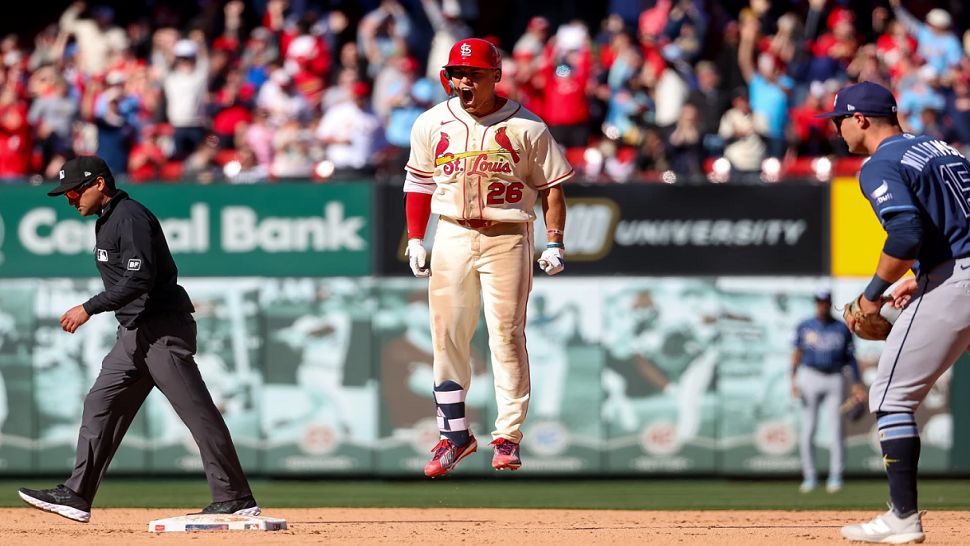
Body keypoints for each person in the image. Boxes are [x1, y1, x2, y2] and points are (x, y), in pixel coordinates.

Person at [18, 155, 259, 523]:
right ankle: (77, 494)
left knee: (197, 412)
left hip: (161, 330)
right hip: (133, 334)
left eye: (74, 191)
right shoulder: (107, 220)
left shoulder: (129, 217)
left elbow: (139, 278)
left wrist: (89, 307)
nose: (70, 199)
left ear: (100, 184)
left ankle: (235, 496)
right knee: (100, 404)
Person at [402, 38, 572, 477]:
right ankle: (454, 436)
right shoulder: (432, 122)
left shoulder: (528, 126)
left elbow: (553, 187)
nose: (463, 81)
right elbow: (419, 183)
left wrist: (554, 240)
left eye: (474, 73)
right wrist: (417, 238)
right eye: (457, 73)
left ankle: (507, 436)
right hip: (453, 232)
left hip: (509, 234)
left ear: (495, 76)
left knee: (506, 335)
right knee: (447, 334)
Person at [818, 81, 970, 543]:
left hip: (960, 279)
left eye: (840, 120)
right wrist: (921, 277)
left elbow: (904, 236)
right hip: (955, 269)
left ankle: (902, 519)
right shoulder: (943, 149)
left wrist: (870, 296)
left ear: (860, 119)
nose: (838, 129)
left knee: (890, 396)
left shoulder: (879, 162)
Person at [790, 290, 865, 494]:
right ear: (815, 304)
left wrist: (857, 383)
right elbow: (797, 353)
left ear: (830, 303)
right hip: (811, 376)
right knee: (808, 430)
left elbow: (851, 357)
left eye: (824, 302)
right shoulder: (805, 326)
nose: (822, 305)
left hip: (835, 377)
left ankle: (836, 476)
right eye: (819, 302)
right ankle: (810, 476)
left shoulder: (841, 328)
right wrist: (793, 380)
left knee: (836, 429)